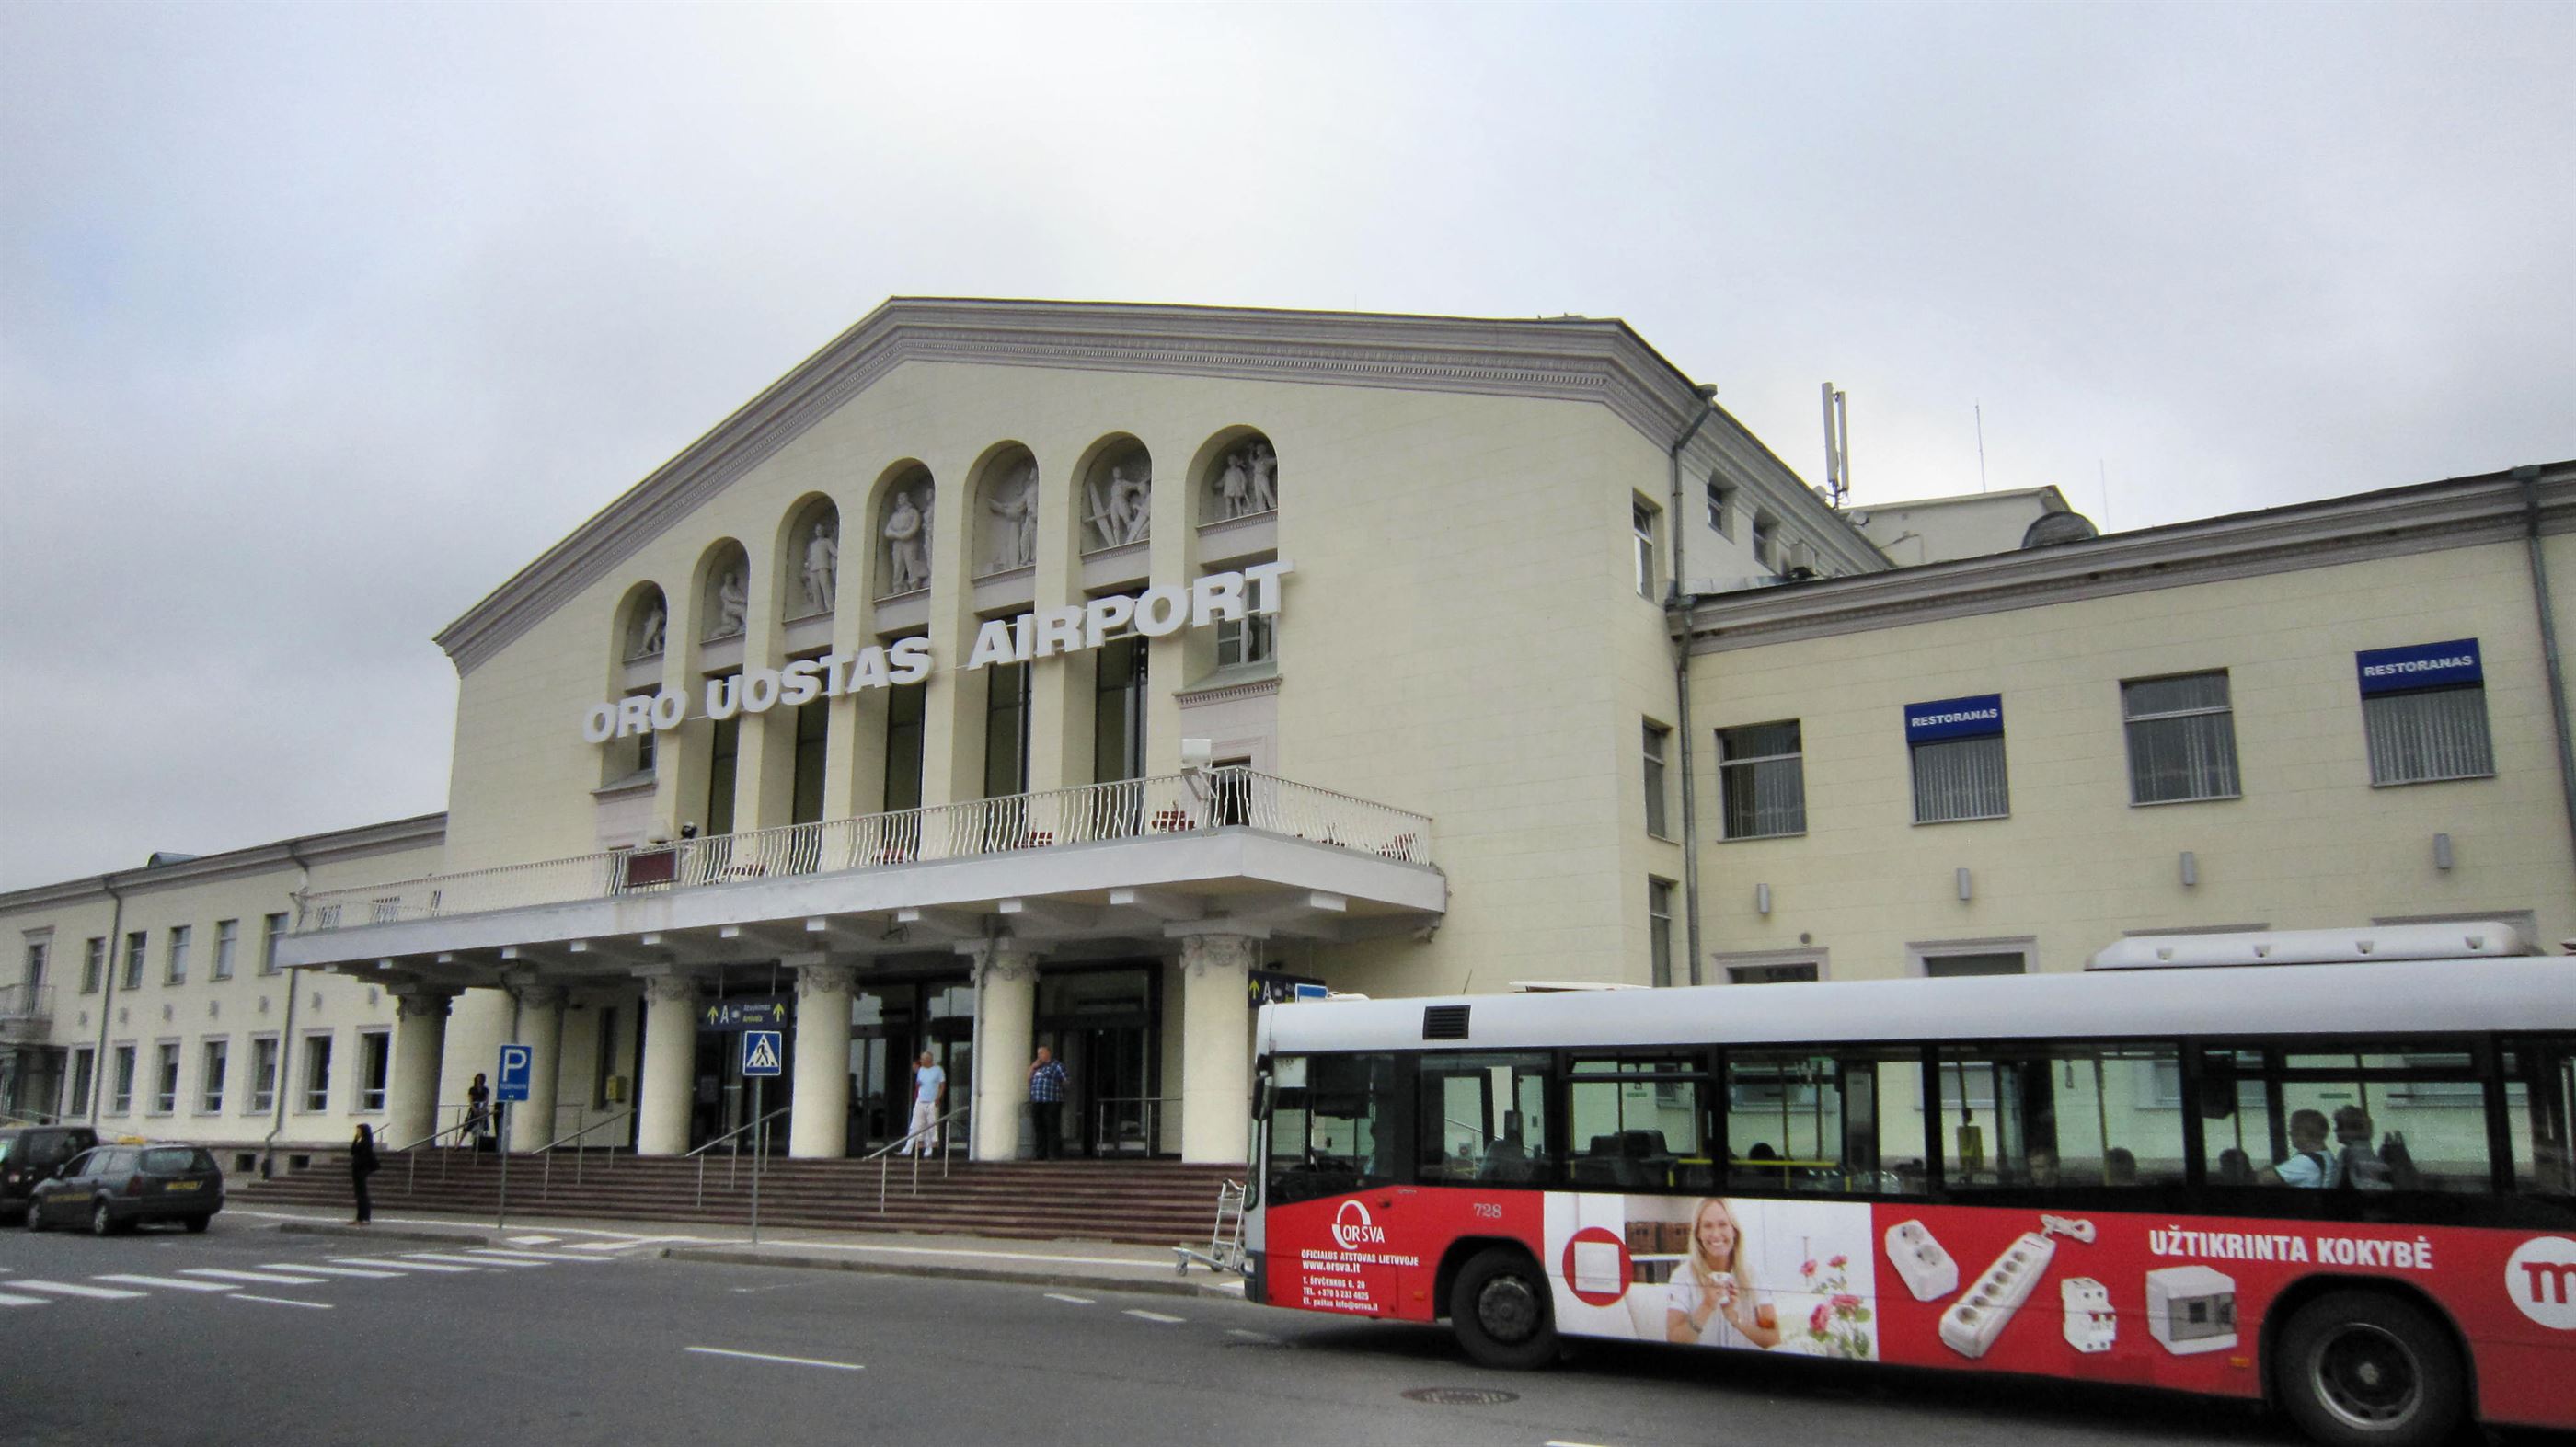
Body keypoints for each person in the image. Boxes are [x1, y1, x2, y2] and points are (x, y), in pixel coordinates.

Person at [1664, 1198, 1783, 1349]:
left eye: (1723, 1224)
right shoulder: (1683, 1276)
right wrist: (1706, 1306)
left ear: (1734, 1230)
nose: (1716, 1234)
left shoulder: (1755, 1275)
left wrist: (1735, 1319)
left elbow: (1773, 1338)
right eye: (1707, 1226)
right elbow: (1673, 1340)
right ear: (1698, 1233)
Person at [2266, 1108, 2336, 1187]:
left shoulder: (2306, 1161)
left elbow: (2262, 1179)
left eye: (2293, 1129)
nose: (2290, 1133)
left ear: (2305, 1132)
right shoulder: (2325, 1154)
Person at [2333, 1107, 2394, 1191]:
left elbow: (2335, 1183)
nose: (2335, 1130)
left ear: (2353, 1130)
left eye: (2339, 1127)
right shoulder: (2370, 1152)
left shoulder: (2346, 1153)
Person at [1027, 1045, 1068, 1160]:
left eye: (1042, 1053)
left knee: (1052, 1127)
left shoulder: (1057, 1065)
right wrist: (1032, 1067)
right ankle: (1040, 1154)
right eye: (1038, 1053)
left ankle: (1054, 1154)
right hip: (1038, 1100)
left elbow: (1066, 1080)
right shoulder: (1037, 1067)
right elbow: (1028, 1078)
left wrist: (1059, 1088)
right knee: (1039, 1127)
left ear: (1048, 1053)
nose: (1039, 1056)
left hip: (1052, 1100)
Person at [903, 1050, 946, 1156]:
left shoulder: (938, 1070)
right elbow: (918, 1083)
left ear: (928, 1060)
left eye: (923, 1059)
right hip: (921, 1100)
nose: (921, 1061)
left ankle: (933, 1148)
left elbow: (942, 1085)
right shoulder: (921, 1070)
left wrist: (938, 1098)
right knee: (918, 1124)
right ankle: (919, 1148)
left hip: (932, 1101)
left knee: (932, 1124)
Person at [349, 1123, 379, 1225]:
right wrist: (355, 1139)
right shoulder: (360, 1141)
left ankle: (365, 1218)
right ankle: (359, 1218)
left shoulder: (367, 1142)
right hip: (357, 1169)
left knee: (363, 1195)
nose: (357, 1132)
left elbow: (365, 1156)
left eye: (359, 1131)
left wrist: (363, 1168)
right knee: (359, 1194)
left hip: (362, 1169)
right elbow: (352, 1151)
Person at [465, 1072, 492, 1152]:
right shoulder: (472, 1089)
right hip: (474, 1108)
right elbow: (470, 1099)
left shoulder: (485, 1089)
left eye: (480, 1079)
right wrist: (474, 1108)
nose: (479, 1081)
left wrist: (483, 1108)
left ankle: (478, 1144)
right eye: (478, 1079)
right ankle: (458, 1143)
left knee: (482, 1126)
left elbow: (486, 1100)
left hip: (482, 1108)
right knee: (468, 1125)